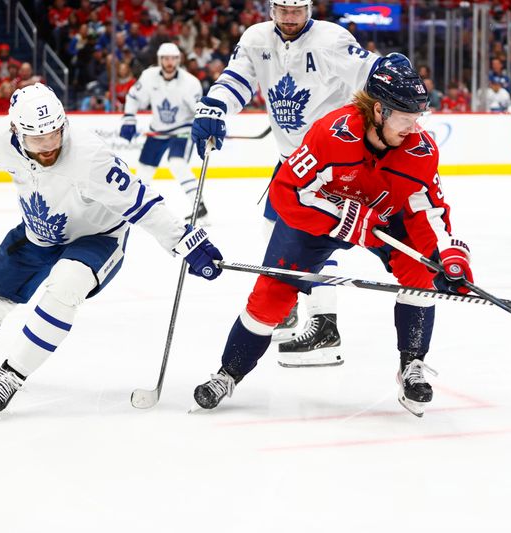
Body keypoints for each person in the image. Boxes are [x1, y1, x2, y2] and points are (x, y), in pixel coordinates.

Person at [192, 64, 473, 417]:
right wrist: (344, 221)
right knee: (272, 295)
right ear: (378, 110)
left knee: (421, 274)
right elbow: (286, 193)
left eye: (419, 116)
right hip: (320, 219)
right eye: (405, 117)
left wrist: (446, 256)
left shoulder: (421, 150)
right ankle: (228, 373)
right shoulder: (331, 134)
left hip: (384, 218)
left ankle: (412, 365)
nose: (414, 126)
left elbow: (429, 210)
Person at [0, 83, 222, 413]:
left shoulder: (91, 157)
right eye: (37, 140)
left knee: (67, 284)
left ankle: (13, 373)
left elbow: (142, 204)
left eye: (54, 135)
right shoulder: (4, 143)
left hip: (98, 238)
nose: (48, 148)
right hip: (39, 233)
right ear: (15, 131)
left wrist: (185, 241)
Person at [190, 0, 412, 367]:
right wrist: (214, 106)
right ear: (271, 8)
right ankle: (288, 304)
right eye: (282, 10)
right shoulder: (256, 38)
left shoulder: (330, 39)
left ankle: (325, 327)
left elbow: (367, 71)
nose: (289, 18)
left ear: (309, 9)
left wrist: (389, 67)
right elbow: (237, 79)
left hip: (330, 165)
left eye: (297, 11)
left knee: (311, 240)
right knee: (272, 231)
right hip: (290, 162)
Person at [121, 43, 208, 224]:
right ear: (160, 60)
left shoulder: (190, 83)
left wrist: (205, 127)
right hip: (157, 130)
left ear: (179, 60)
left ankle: (199, 207)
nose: (169, 62)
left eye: (173, 59)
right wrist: (129, 119)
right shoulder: (148, 76)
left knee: (177, 163)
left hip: (182, 130)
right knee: (144, 170)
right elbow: (133, 97)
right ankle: (138, 206)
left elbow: (199, 110)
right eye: (166, 59)